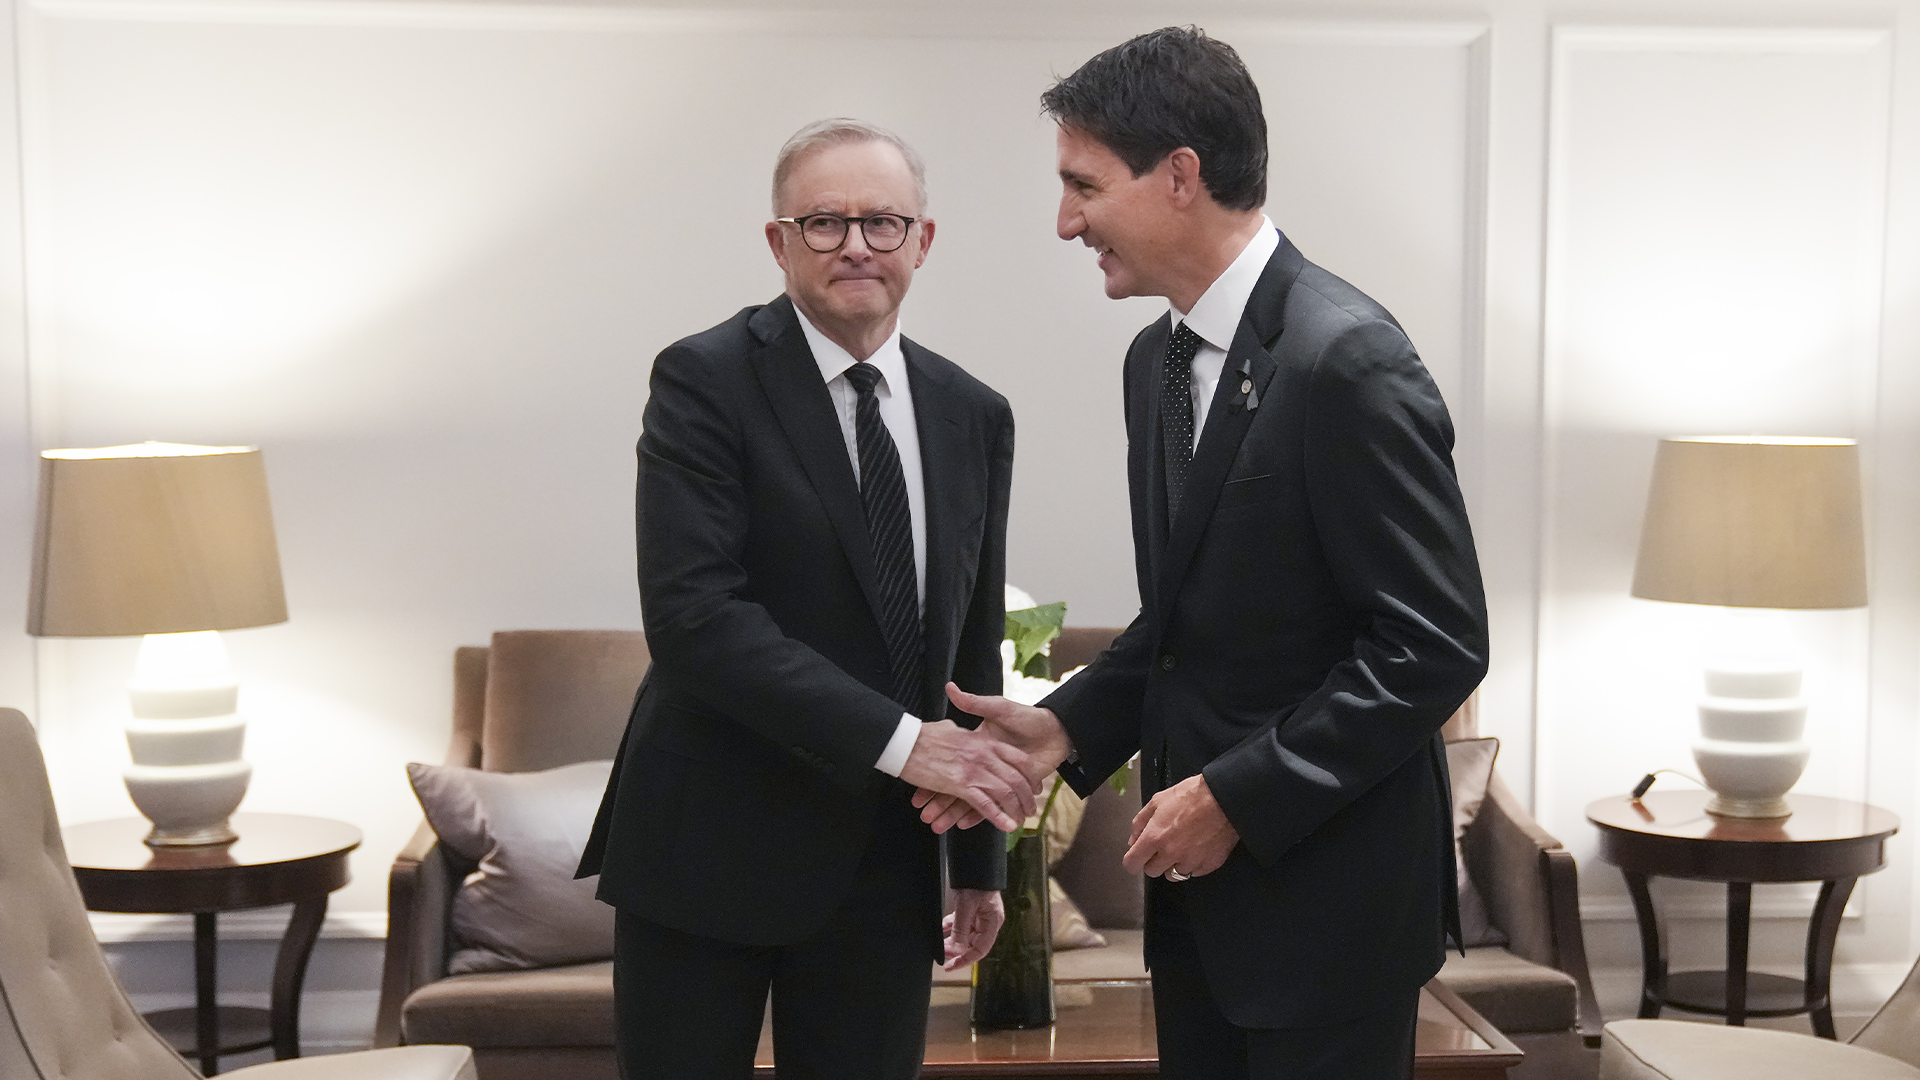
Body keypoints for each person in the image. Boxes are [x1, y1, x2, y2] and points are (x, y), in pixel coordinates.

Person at [917, 28, 1489, 1080]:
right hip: (1201, 917)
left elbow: (1434, 646)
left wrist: (1237, 797)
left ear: (1180, 175)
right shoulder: (1156, 362)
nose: (1065, 221)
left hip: (1329, 919)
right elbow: (1185, 627)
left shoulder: (1348, 359)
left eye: (1083, 185)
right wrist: (1062, 729)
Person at [578, 118, 1030, 1080]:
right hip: (708, 845)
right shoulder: (704, 379)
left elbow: (972, 650)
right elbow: (696, 619)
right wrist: (911, 747)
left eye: (882, 222)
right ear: (779, 242)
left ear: (924, 240)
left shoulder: (973, 413)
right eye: (824, 222)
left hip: (885, 861)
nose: (857, 245)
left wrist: (980, 862)